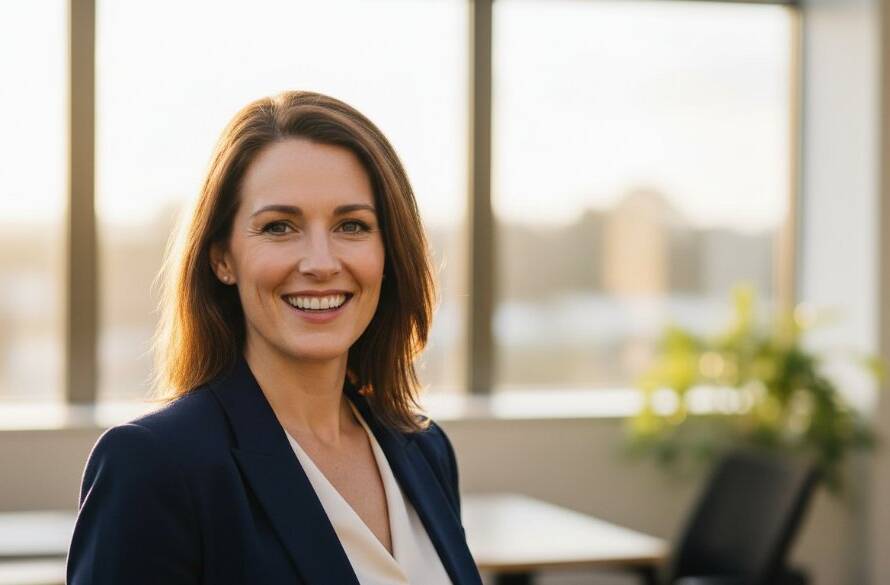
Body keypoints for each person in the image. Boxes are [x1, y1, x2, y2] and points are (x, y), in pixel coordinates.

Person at [66, 90, 483, 585]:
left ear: (388, 251)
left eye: (352, 225)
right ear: (222, 258)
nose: (322, 263)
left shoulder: (425, 450)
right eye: (280, 227)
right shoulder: (154, 467)